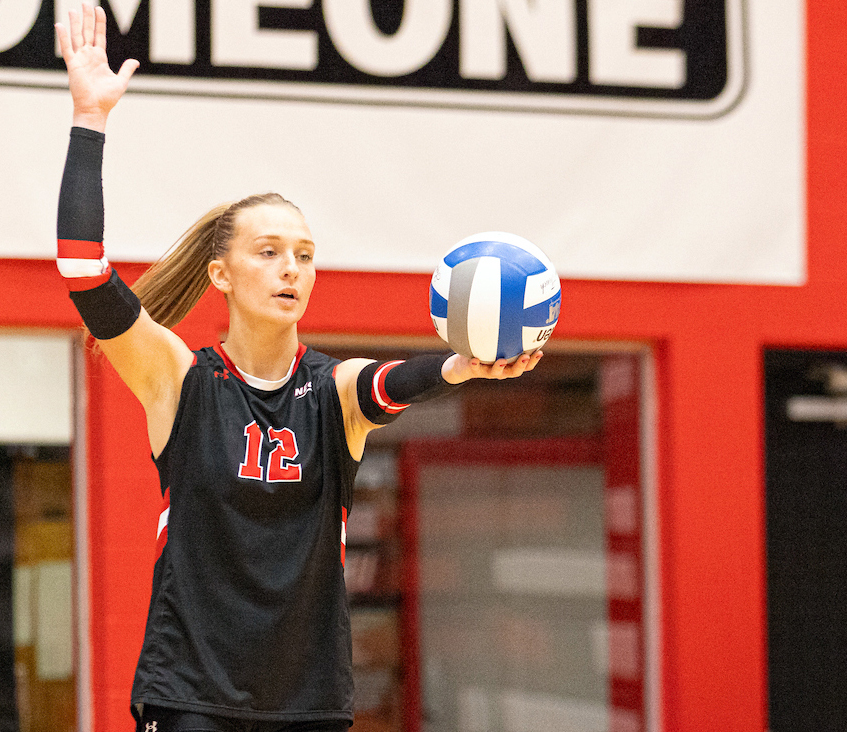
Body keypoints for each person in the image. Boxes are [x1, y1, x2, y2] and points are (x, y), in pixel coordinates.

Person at [53, 5, 543, 731]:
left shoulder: (330, 393)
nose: (292, 269)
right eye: (270, 251)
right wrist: (89, 119)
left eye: (305, 254)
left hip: (307, 700)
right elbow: (84, 271)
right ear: (220, 275)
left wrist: (460, 367)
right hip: (192, 694)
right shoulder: (181, 381)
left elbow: (387, 384)